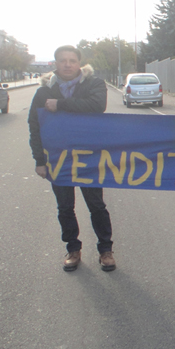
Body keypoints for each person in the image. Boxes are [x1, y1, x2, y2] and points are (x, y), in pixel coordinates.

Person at [28, 45, 115, 272]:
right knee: (65, 207)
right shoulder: (43, 92)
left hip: (89, 158)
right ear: (55, 64)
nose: (68, 64)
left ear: (79, 63)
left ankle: (105, 250)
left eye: (72, 60)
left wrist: (61, 105)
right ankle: (73, 249)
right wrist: (39, 160)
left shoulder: (93, 84)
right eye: (63, 60)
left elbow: (96, 106)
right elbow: (34, 126)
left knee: (96, 205)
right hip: (58, 159)